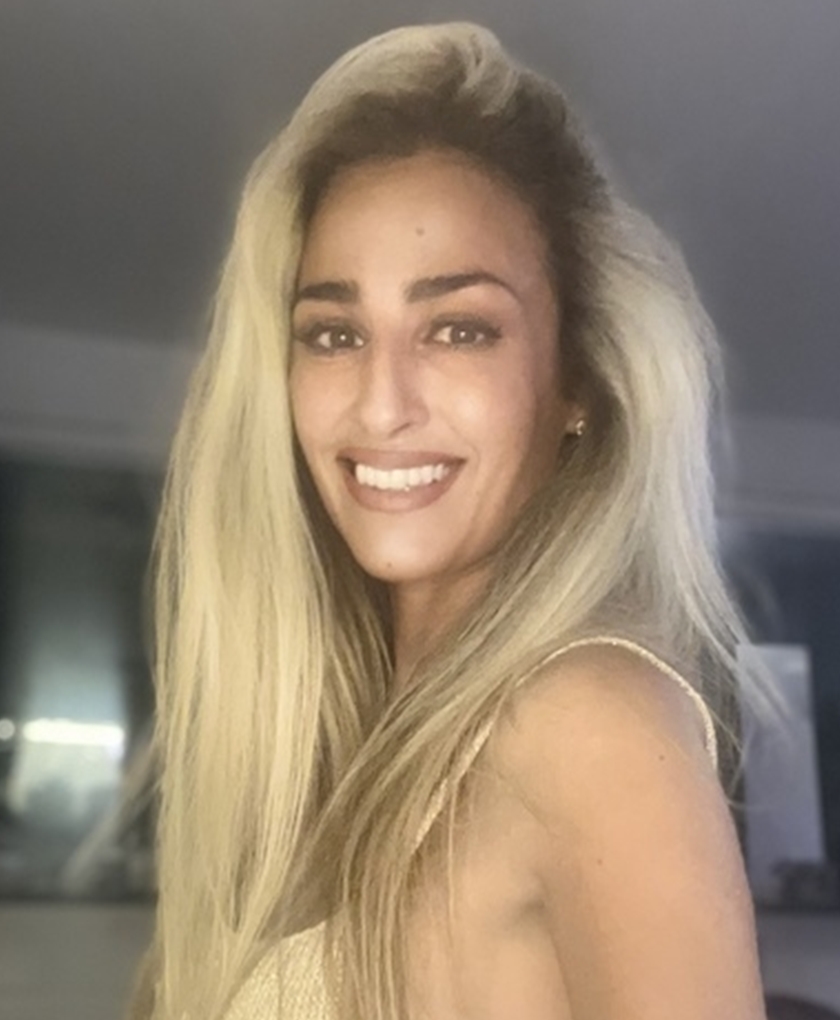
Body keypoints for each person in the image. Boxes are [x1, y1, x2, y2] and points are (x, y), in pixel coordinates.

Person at [128, 21, 771, 1020]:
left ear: (576, 383)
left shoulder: (589, 722)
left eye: (459, 329)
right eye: (333, 334)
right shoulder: (352, 740)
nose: (381, 405)